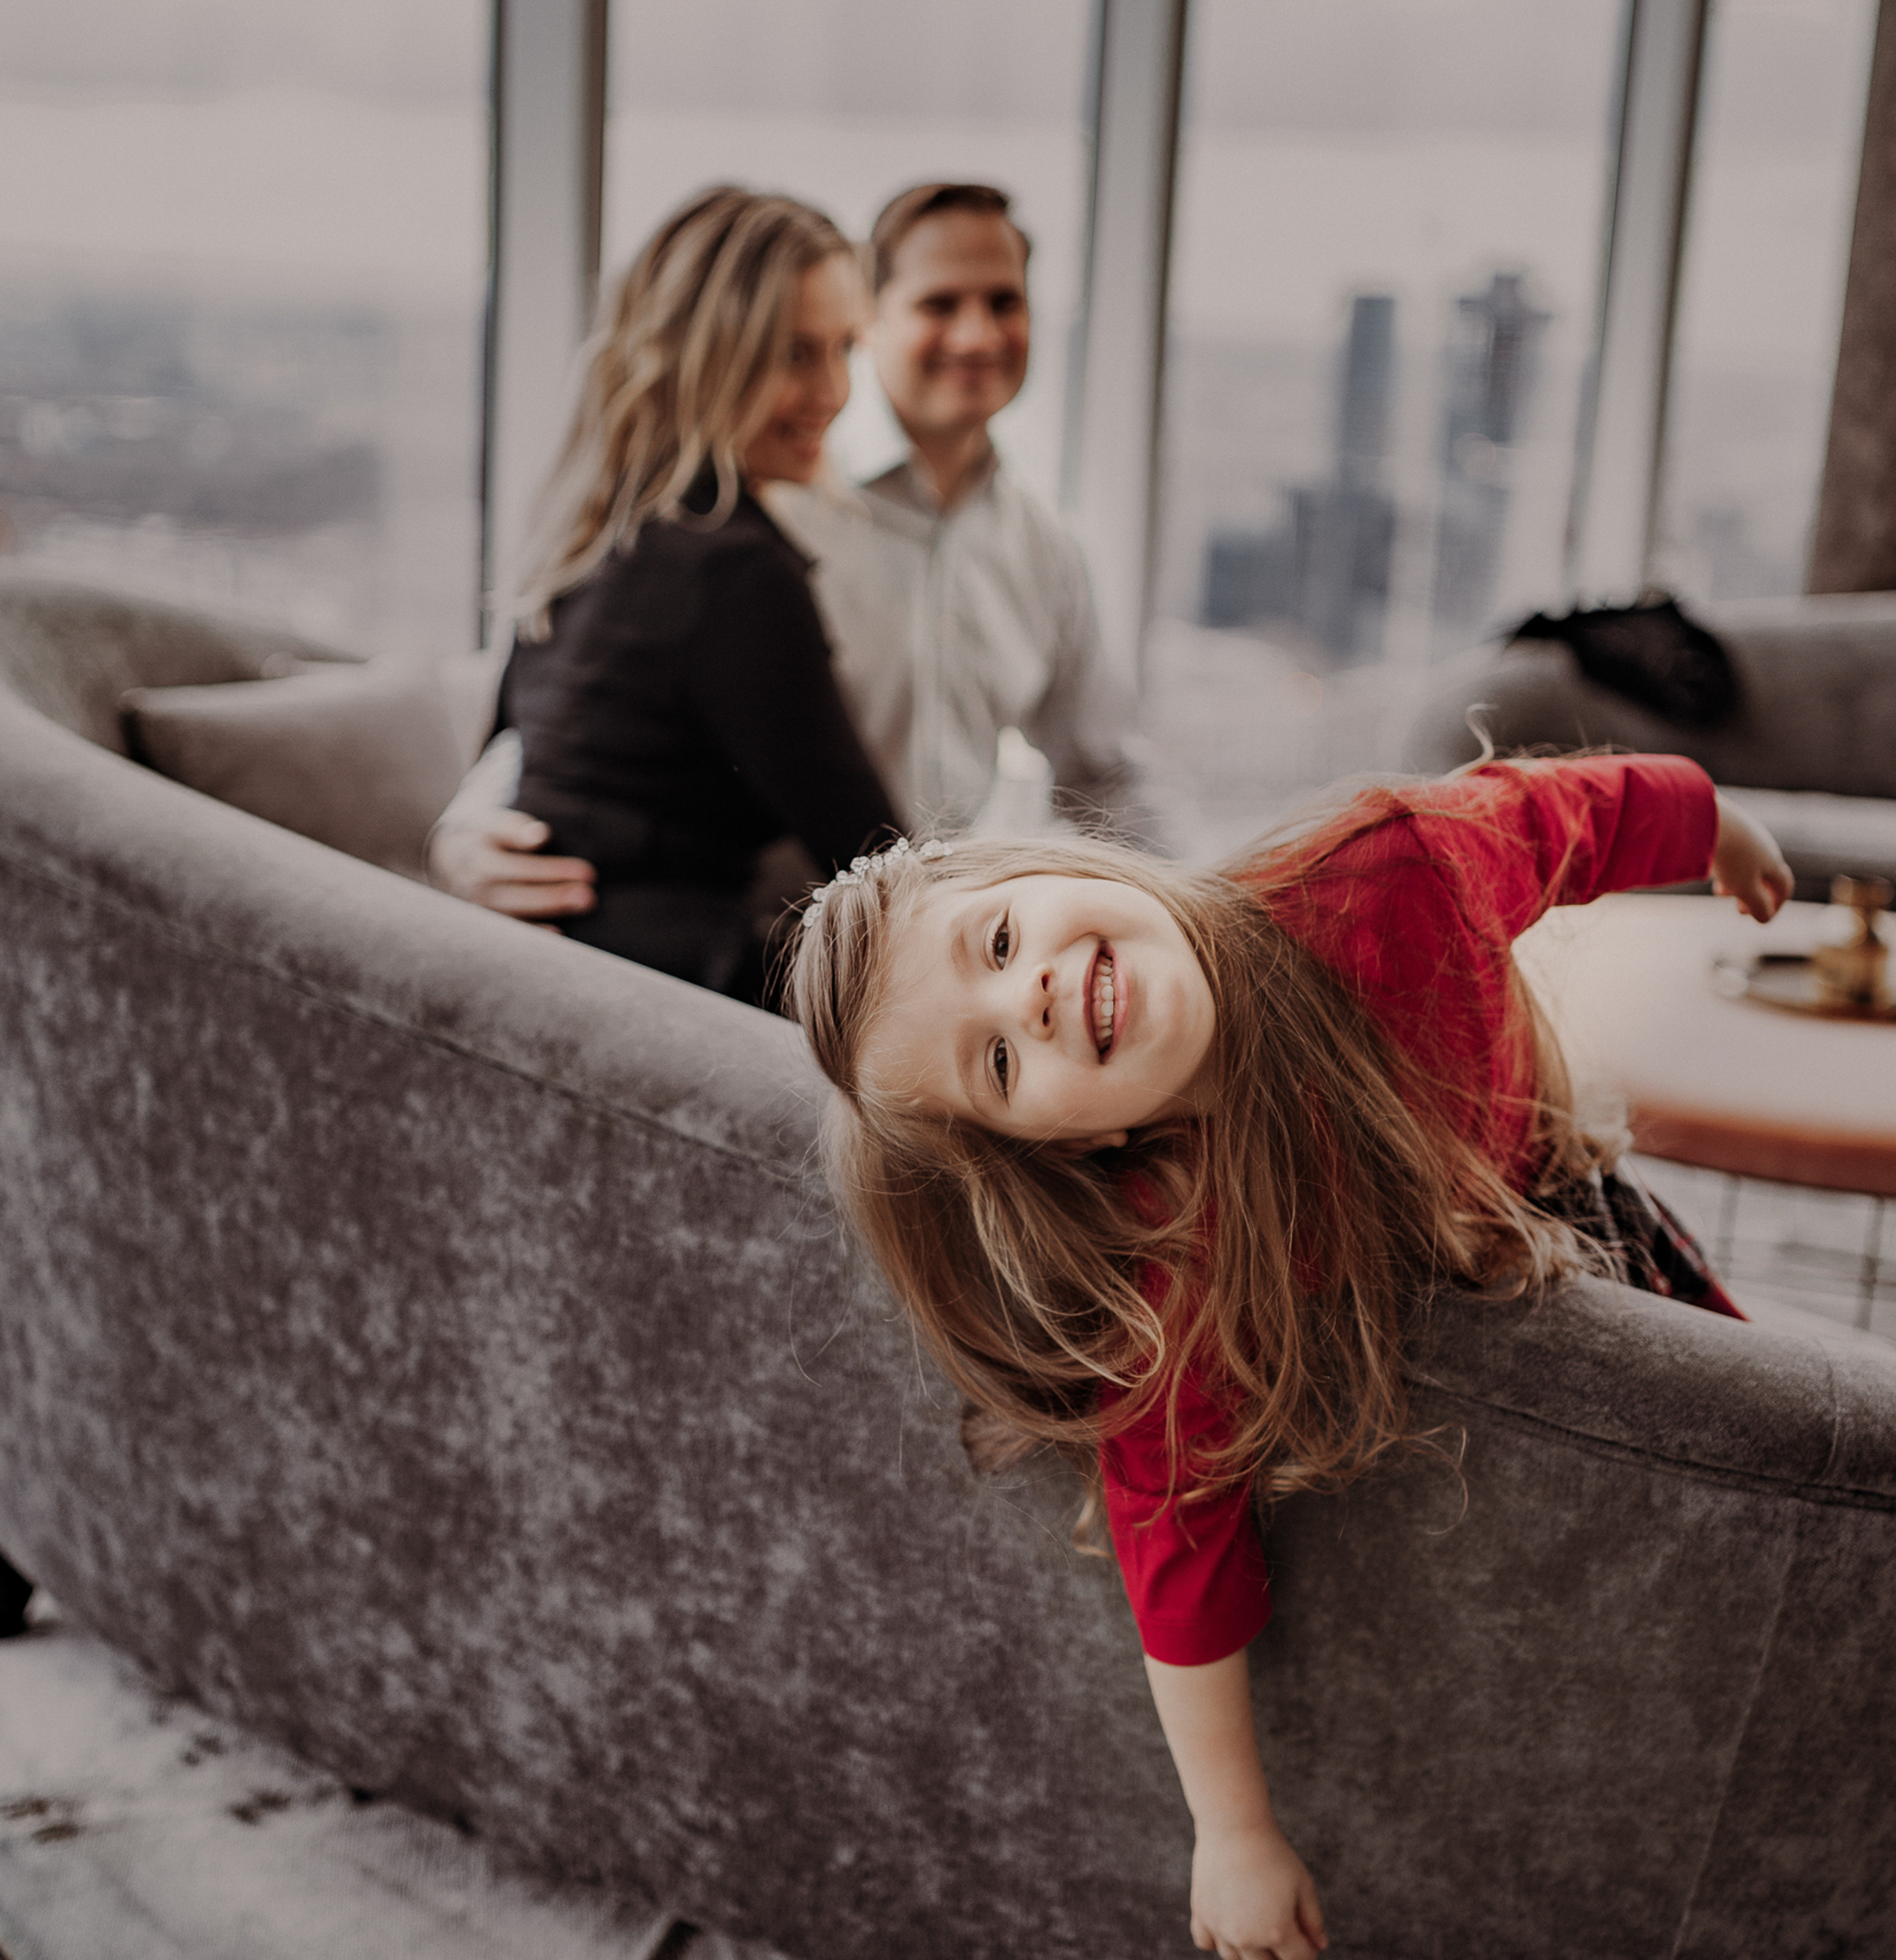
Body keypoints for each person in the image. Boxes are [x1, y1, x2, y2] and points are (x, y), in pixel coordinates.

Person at [784, 754, 1793, 1958]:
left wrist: (1715, 827)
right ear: (1075, 1142)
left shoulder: (1396, 872)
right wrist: (1234, 1833)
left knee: (1774, 1466)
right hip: (1459, 1280)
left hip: (1555, 1190)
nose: (1032, 1002)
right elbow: (1175, 1545)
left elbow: (1563, 814)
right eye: (998, 1064)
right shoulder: (1181, 1258)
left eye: (998, 944)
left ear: (1059, 866)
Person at [427, 180, 1144, 929]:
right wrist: (463, 832)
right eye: (939, 304)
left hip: (902, 927)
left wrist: (1205, 908)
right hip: (792, 943)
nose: (976, 337)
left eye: (1003, 302)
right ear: (881, 315)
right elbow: (569, 704)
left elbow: (1106, 772)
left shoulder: (1047, 548)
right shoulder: (765, 506)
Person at [484, 186, 899, 999]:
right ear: (708, 355)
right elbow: (881, 864)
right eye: (794, 354)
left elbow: (505, 754)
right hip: (667, 1003)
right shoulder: (732, 569)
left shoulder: (603, 527)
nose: (836, 391)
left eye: (844, 348)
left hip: (562, 979)